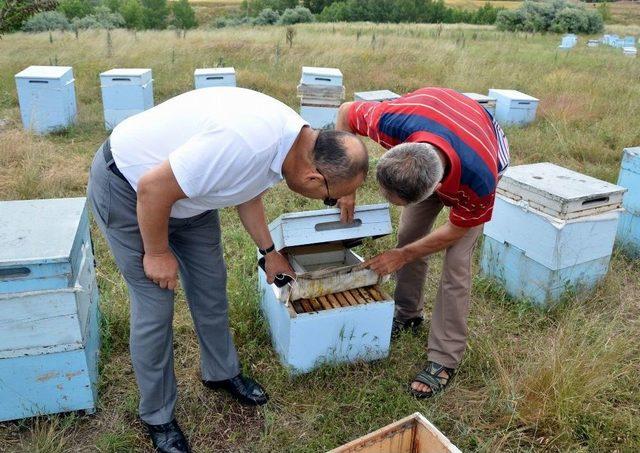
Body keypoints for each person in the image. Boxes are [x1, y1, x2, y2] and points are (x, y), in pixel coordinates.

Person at [87, 87, 368, 453]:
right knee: (155, 307)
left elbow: (246, 188)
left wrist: (269, 252)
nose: (328, 202)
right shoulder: (243, 143)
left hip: (190, 197)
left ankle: (221, 372)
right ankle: (157, 416)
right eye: (332, 197)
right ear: (315, 178)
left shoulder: (292, 143)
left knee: (210, 286)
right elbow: (153, 189)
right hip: (131, 189)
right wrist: (156, 253)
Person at [335, 87, 510, 399]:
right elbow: (346, 111)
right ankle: (407, 314)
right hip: (432, 120)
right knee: (410, 235)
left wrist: (403, 256)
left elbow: (455, 231)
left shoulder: (480, 180)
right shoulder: (390, 122)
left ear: (434, 190)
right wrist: (346, 187)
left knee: (456, 265)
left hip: (481, 144)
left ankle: (444, 357)